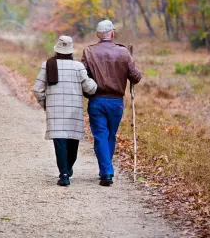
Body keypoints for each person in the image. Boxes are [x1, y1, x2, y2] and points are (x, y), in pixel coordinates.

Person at [81, 20, 142, 187]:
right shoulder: (123, 52)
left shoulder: (89, 52)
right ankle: (106, 170)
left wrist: (87, 90)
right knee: (110, 135)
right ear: (112, 34)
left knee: (100, 135)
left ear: (98, 35)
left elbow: (82, 76)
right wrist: (129, 62)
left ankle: (106, 171)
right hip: (116, 102)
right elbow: (136, 77)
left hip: (97, 100)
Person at [33, 36, 97, 187]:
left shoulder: (47, 65)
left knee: (59, 142)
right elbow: (90, 89)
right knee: (72, 142)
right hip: (74, 110)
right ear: (71, 51)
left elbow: (37, 89)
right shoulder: (78, 67)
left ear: (57, 49)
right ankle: (67, 169)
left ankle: (64, 174)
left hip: (55, 111)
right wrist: (93, 80)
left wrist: (46, 104)